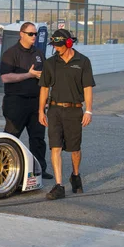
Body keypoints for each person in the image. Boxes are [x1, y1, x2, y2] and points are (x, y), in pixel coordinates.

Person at [38, 29, 95, 200]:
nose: (57, 48)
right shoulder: (50, 63)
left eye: (60, 45)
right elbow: (44, 88)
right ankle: (59, 185)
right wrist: (41, 110)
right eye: (54, 45)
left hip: (74, 110)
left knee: (75, 149)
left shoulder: (83, 61)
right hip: (54, 110)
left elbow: (88, 88)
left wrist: (89, 110)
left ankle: (75, 176)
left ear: (69, 43)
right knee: (55, 147)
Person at [0, 21, 53, 180]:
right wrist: (28, 75)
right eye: (31, 34)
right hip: (16, 101)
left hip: (36, 102)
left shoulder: (38, 53)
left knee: (38, 138)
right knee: (11, 135)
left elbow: (45, 76)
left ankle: (39, 169)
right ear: (21, 34)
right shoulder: (11, 53)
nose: (34, 37)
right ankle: (4, 168)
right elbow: (5, 77)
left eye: (36, 34)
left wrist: (46, 99)